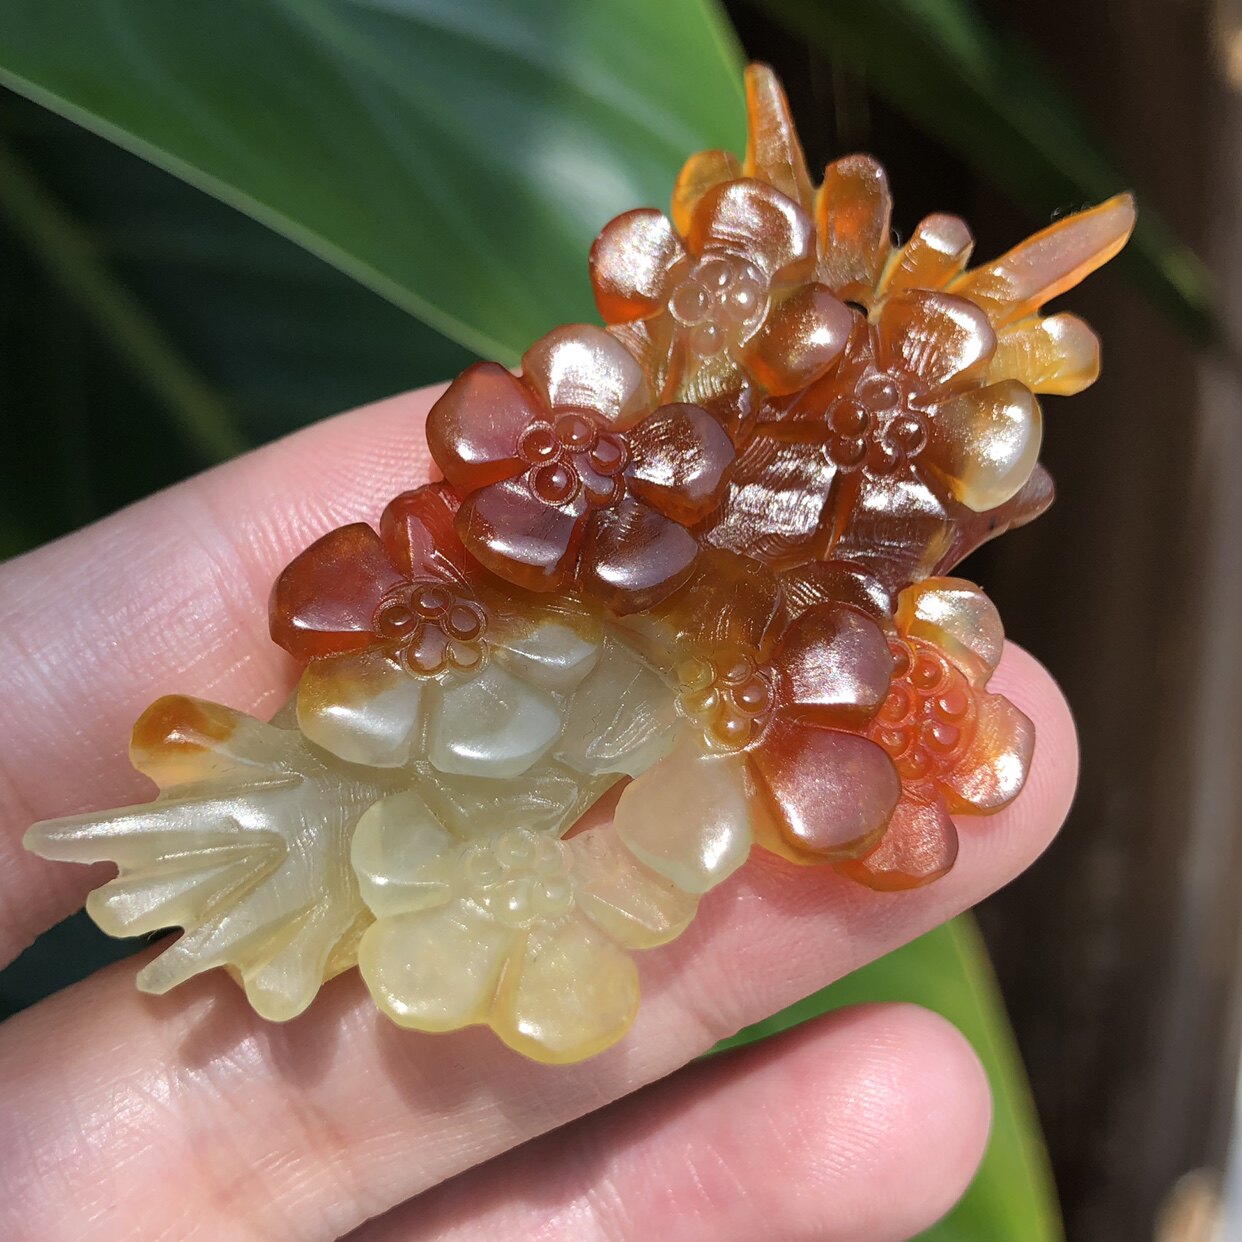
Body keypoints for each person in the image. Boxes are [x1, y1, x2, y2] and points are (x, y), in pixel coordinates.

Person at [0, 384, 1077, 1241]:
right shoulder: (649, 498)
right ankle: (259, 859)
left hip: (581, 708)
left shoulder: (776, 641)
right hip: (482, 676)